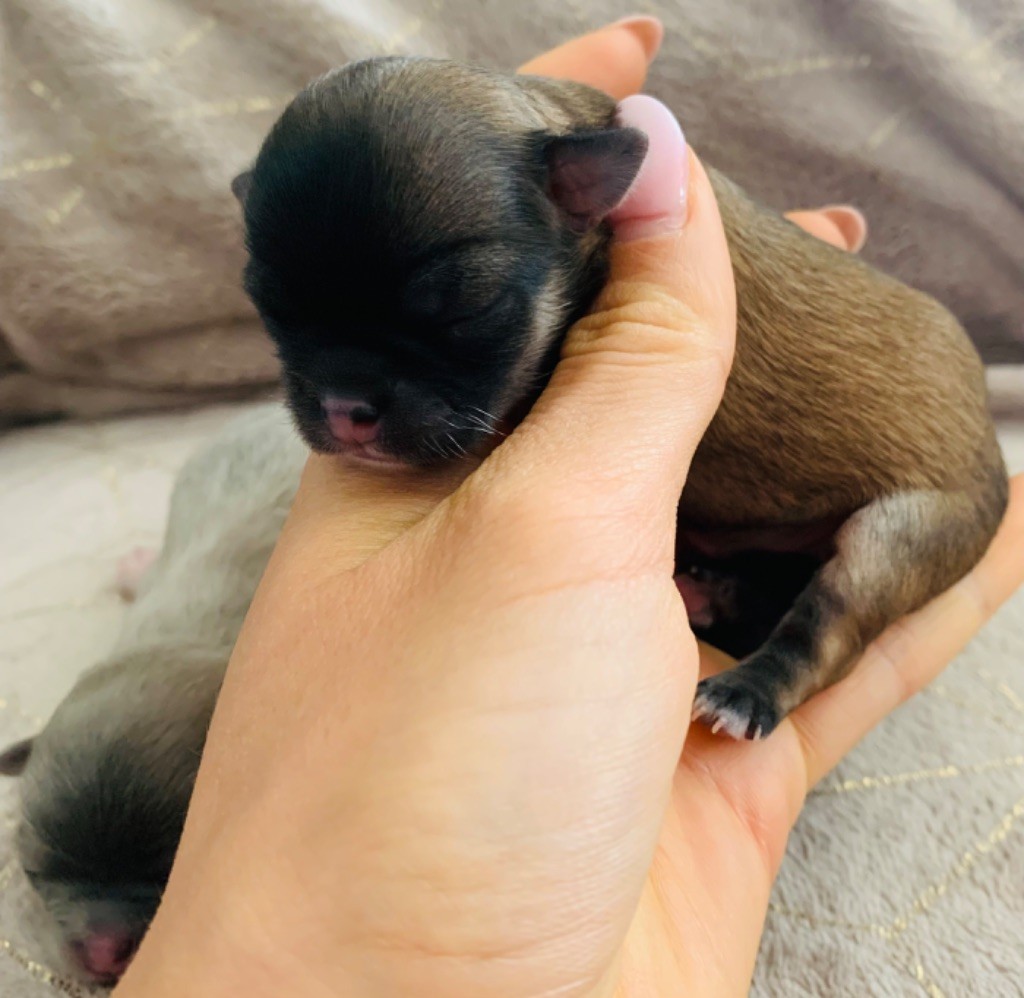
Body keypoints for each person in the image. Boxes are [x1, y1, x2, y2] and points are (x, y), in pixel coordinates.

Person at [114, 19, 1024, 998]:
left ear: (583, 190)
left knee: (888, 543)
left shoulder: (593, 212)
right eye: (286, 316)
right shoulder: (504, 202)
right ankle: (725, 587)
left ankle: (781, 666)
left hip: (901, 480)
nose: (342, 405)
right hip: (716, 525)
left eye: (458, 308)